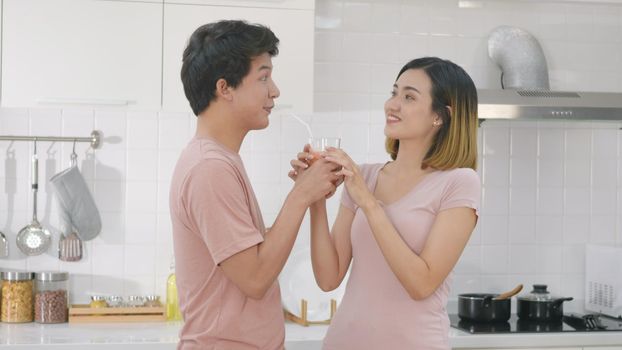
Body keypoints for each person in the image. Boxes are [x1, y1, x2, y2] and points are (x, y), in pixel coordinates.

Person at [169, 20, 339, 350]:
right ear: (225, 88)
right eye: (263, 77)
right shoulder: (209, 168)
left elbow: (252, 255)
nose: (274, 90)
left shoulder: (220, 160)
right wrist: (302, 194)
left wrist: (308, 192)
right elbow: (256, 278)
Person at [289, 57, 480, 350]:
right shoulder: (364, 175)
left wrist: (368, 200)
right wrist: (315, 199)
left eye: (408, 97)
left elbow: (421, 284)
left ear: (440, 116)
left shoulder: (459, 183)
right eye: (394, 93)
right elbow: (328, 278)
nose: (392, 104)